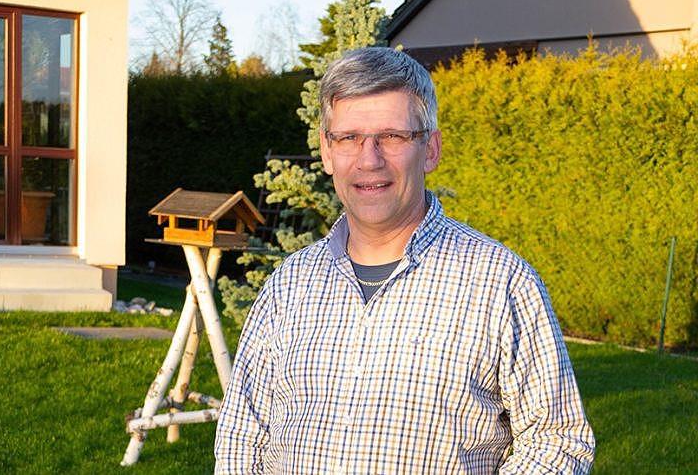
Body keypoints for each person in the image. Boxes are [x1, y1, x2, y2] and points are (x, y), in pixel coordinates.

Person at [214, 47, 595, 474]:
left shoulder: (501, 282)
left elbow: (558, 441)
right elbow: (242, 435)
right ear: (326, 150)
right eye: (349, 137)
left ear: (430, 149)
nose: (369, 159)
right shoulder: (289, 285)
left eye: (392, 136)